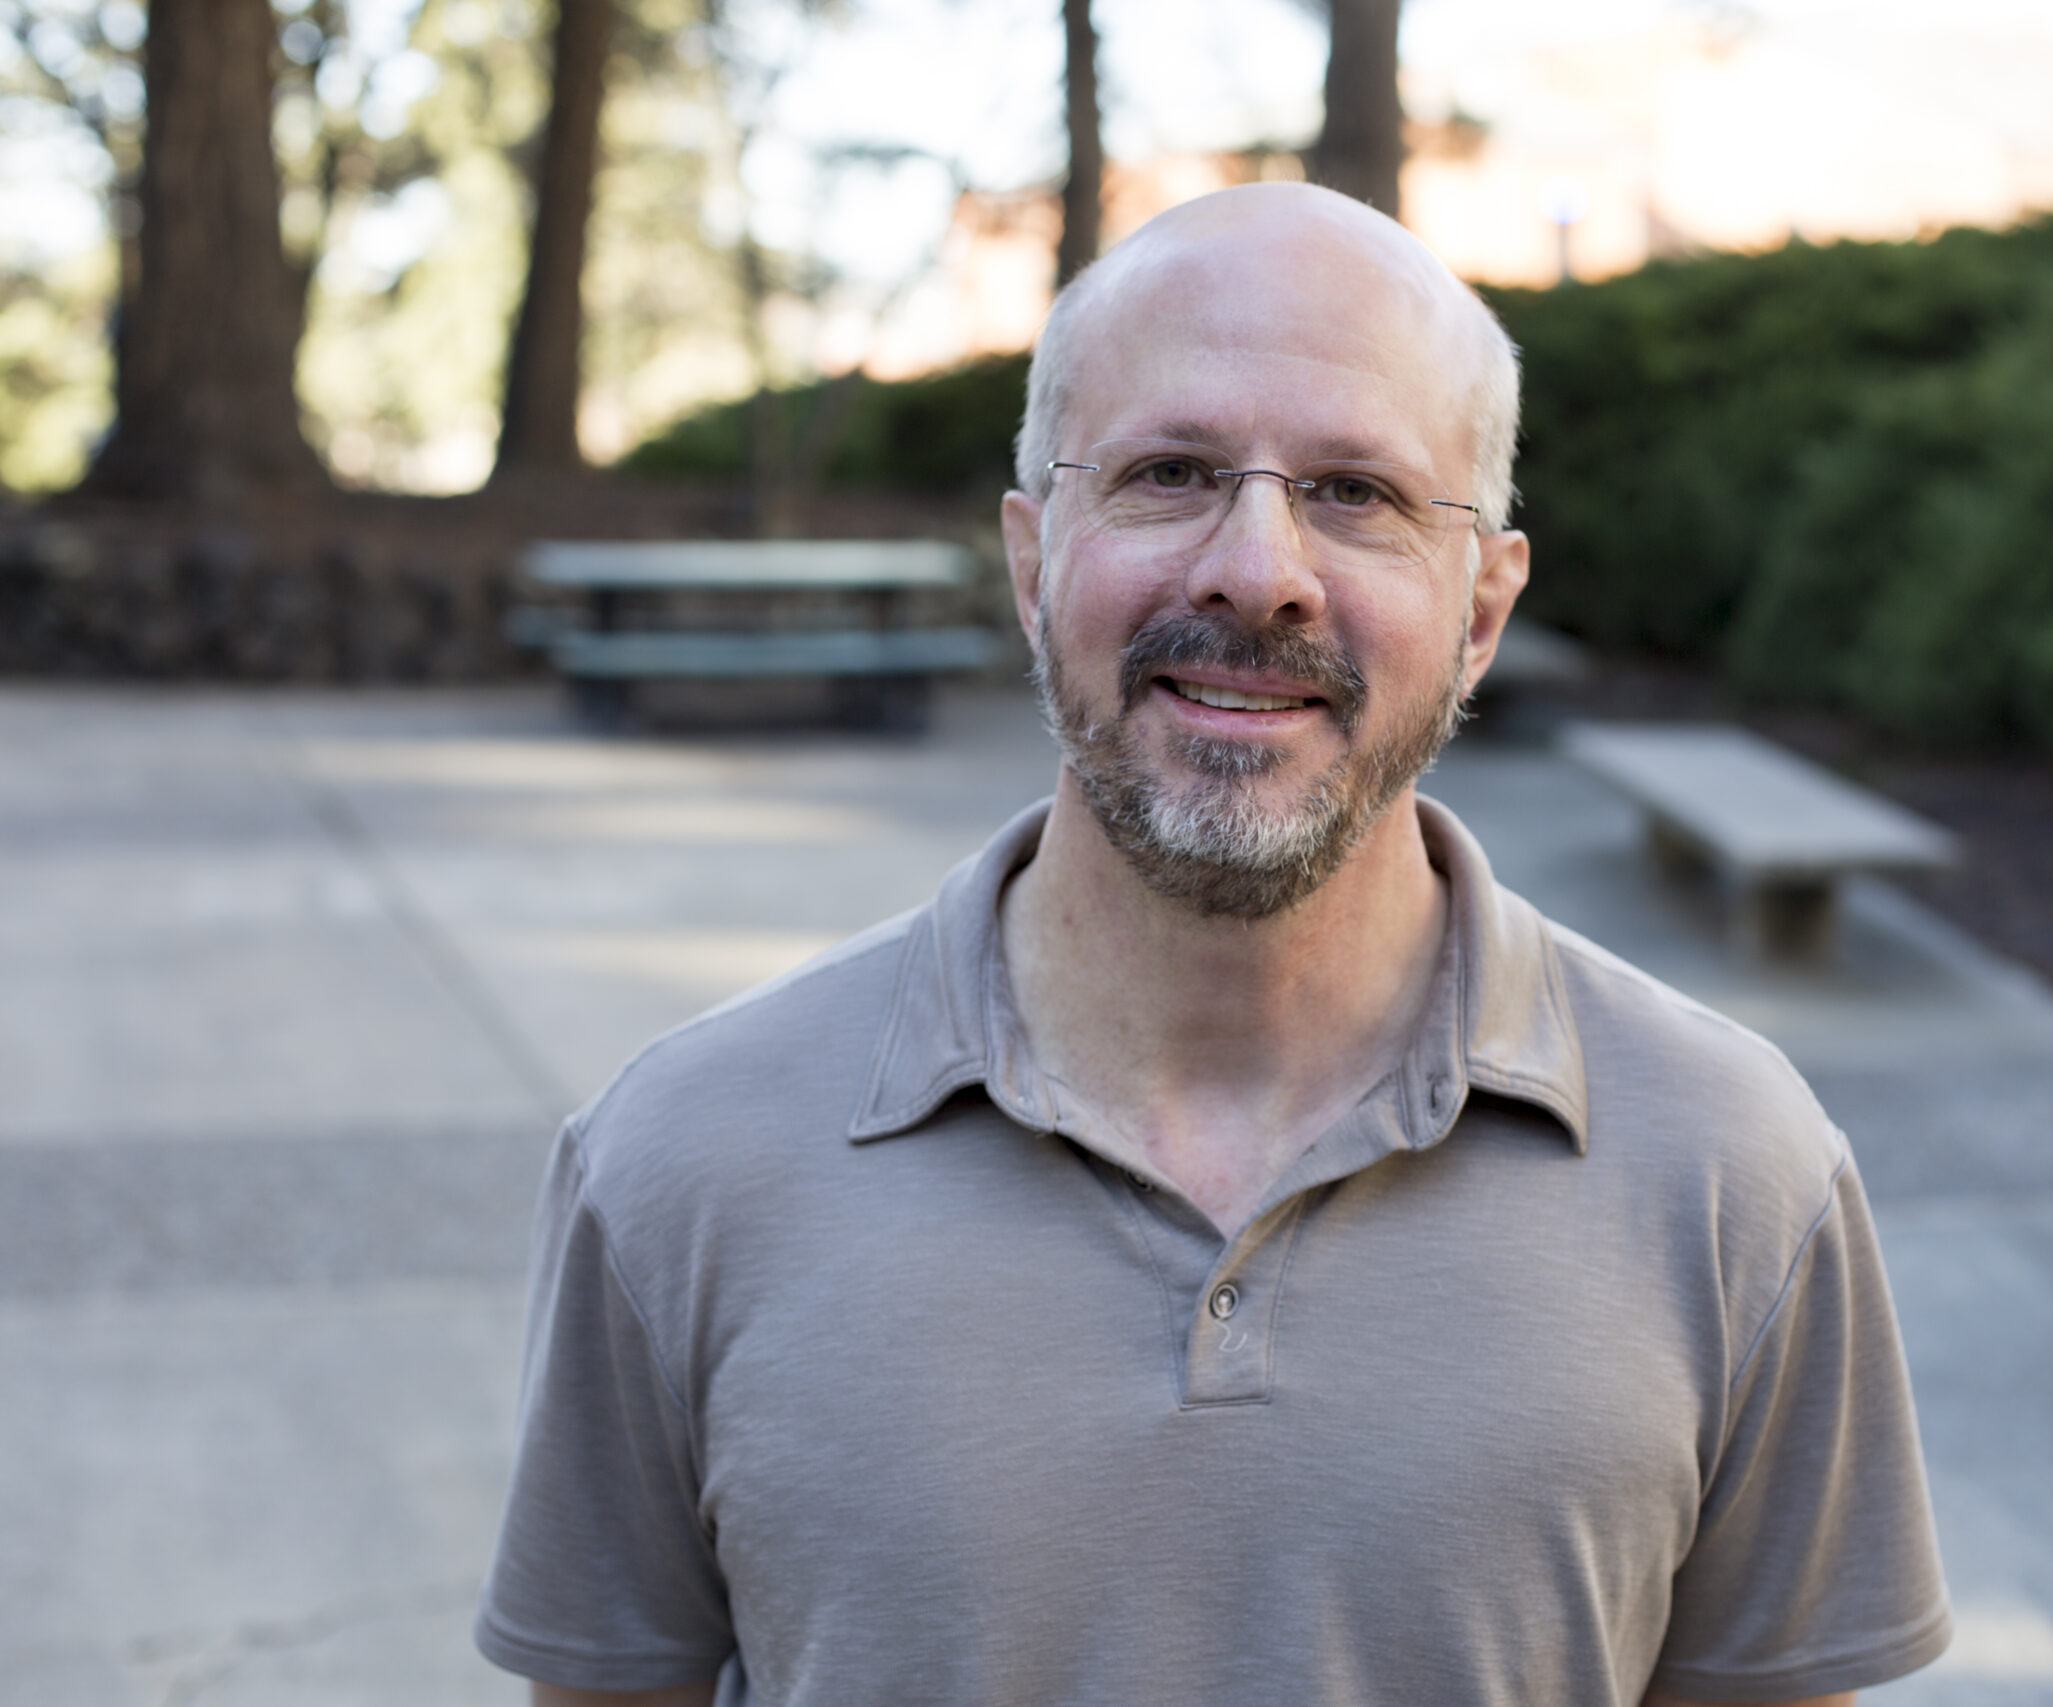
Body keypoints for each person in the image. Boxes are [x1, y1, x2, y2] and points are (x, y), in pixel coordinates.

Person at [475, 183, 1953, 1707]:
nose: (1259, 570)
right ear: (1032, 563)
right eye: (1170, 473)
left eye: (1357, 492)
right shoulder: (682, 1161)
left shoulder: (1732, 1172)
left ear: (1482, 611)